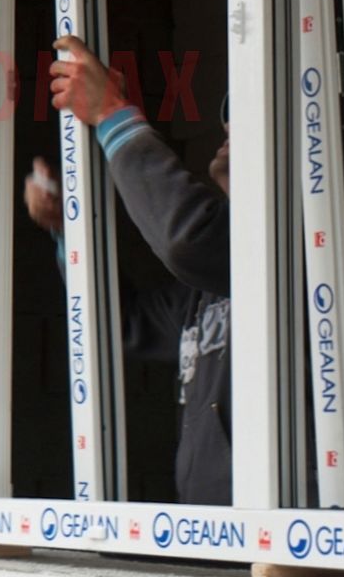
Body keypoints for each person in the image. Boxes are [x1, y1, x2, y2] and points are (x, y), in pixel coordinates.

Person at [25, 34, 232, 505]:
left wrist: (111, 113)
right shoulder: (205, 292)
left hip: (290, 533)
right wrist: (68, 234)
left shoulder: (298, 255)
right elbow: (125, 322)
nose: (229, 128)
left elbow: (189, 239)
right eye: (229, 119)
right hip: (216, 530)